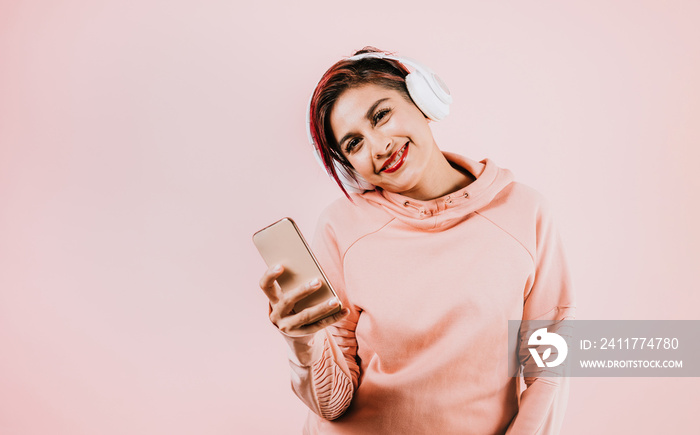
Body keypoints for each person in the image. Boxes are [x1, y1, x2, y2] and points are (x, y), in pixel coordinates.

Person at [258, 46, 576, 434]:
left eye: (381, 115)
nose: (378, 146)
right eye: (354, 144)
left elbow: (549, 370)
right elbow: (333, 403)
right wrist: (303, 344)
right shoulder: (340, 226)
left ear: (424, 100)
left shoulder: (525, 212)